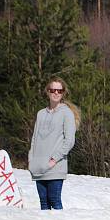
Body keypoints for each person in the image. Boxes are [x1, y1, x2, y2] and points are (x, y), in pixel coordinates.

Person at [28, 78, 79, 210]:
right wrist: (31, 160)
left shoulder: (67, 113)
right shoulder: (40, 114)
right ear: (48, 92)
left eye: (59, 90)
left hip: (55, 167)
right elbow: (34, 139)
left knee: (54, 201)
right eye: (53, 90)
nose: (56, 93)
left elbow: (69, 141)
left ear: (63, 93)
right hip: (38, 166)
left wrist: (54, 159)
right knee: (43, 203)